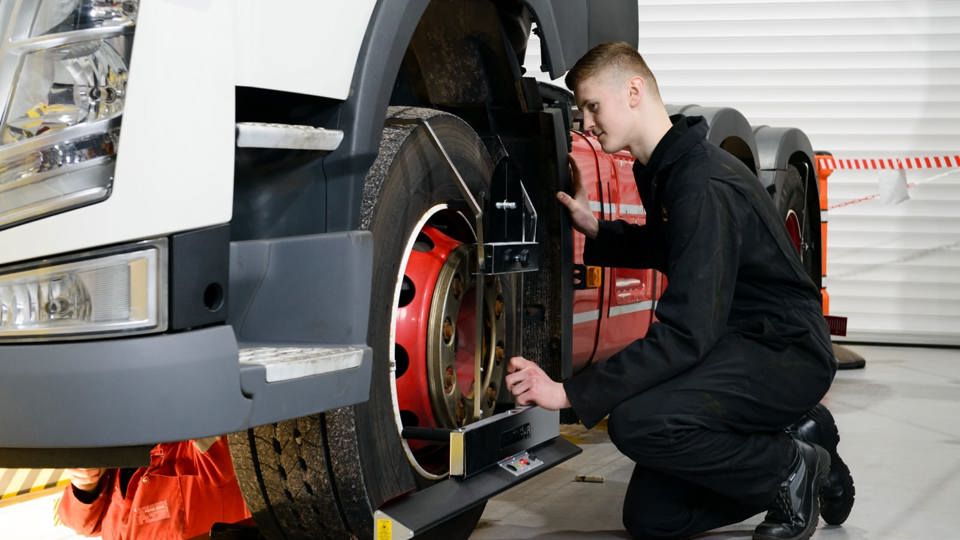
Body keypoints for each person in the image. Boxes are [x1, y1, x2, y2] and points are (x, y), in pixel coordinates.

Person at [505, 42, 854, 540]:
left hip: (783, 349)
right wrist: (597, 228)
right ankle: (799, 440)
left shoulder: (702, 182)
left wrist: (568, 393)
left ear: (633, 90)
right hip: (739, 345)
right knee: (654, 520)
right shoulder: (671, 169)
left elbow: (689, 332)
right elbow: (676, 248)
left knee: (638, 423)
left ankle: (788, 468)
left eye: (591, 105)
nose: (584, 121)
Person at [58, 436, 251, 539]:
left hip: (130, 439)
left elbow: (85, 525)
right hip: (177, 421)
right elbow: (218, 462)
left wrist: (85, 487)